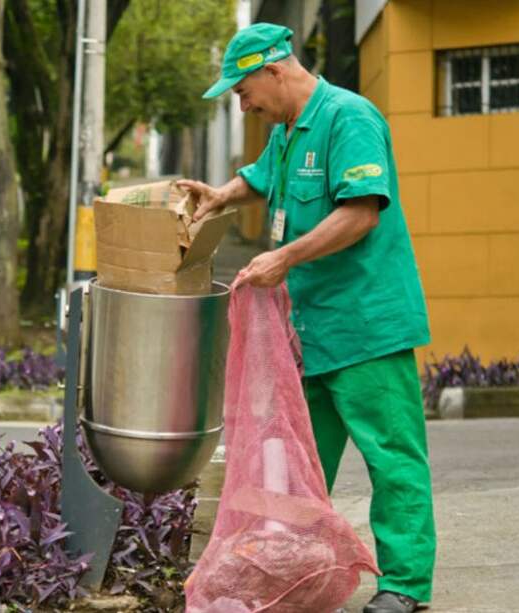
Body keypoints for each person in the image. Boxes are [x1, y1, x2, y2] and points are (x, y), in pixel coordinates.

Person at [179, 23, 435, 613]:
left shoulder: (350, 118)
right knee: (294, 462)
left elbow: (362, 212)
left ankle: (405, 585)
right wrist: (220, 196)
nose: (243, 104)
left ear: (273, 70)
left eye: (243, 92)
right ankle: (293, 572)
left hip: (367, 324)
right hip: (309, 330)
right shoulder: (289, 131)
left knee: (392, 458)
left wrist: (285, 256)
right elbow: (262, 177)